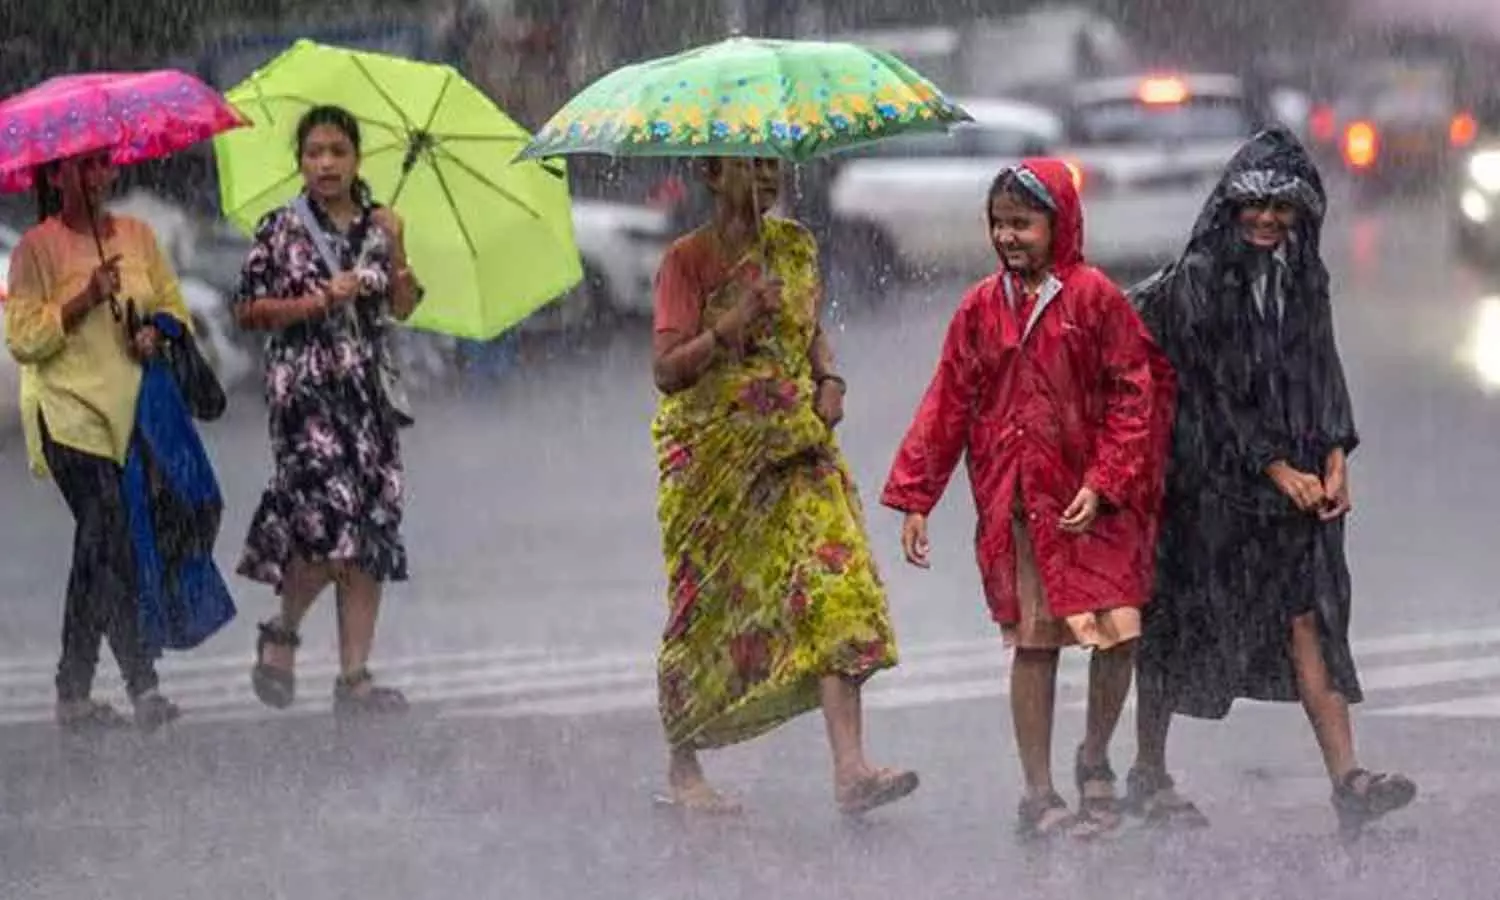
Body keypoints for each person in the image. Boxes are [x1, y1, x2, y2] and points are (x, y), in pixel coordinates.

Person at [1128, 127, 1416, 834]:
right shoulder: (1201, 280)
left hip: (1290, 484)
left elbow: (1321, 366)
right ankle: (1146, 769)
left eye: (1280, 208)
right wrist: (1274, 465)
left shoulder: (1301, 274)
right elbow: (1212, 390)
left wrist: (1335, 454)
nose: (1265, 220)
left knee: (1307, 619)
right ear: (1229, 206)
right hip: (1207, 485)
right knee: (1177, 622)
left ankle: (1348, 778)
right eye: (1252, 205)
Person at [883, 160, 1173, 840]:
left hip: (1098, 507)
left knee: (1118, 635)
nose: (1009, 236)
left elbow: (1135, 396)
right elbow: (948, 403)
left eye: (1024, 222)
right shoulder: (981, 309)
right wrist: (917, 495)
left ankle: (1095, 755)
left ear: (1060, 223)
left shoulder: (1096, 298)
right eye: (999, 223)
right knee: (1035, 645)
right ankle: (1038, 793)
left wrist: (1104, 481)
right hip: (1023, 506)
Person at [650, 156, 917, 816]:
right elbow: (666, 371)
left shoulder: (796, 246)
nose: (767, 178)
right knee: (709, 608)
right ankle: (684, 768)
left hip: (797, 445)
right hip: (716, 461)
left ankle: (851, 769)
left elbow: (812, 331)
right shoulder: (688, 261)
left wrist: (830, 380)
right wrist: (728, 325)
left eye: (774, 165)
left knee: (837, 585)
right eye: (751, 166)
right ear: (713, 174)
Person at [233, 105, 423, 716]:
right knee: (325, 527)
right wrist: (316, 301)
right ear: (300, 162)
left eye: (337, 151)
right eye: (315, 152)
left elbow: (405, 304)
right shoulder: (280, 228)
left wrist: (397, 245)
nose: (326, 163)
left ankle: (354, 677)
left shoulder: (379, 223)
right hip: (305, 396)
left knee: (369, 532)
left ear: (356, 159)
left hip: (368, 397)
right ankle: (282, 630)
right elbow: (249, 309)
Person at [3, 151, 190, 732]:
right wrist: (82, 298)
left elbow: (172, 309)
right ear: (54, 176)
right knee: (107, 530)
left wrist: (152, 335)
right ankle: (137, 685)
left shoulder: (136, 237)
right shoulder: (36, 248)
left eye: (100, 164)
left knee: (103, 548)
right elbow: (25, 340)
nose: (92, 177)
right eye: (77, 168)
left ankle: (80, 692)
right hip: (66, 416)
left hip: (126, 416)